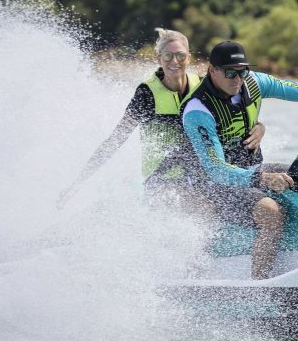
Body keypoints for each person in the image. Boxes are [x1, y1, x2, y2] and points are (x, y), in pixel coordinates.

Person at [182, 40, 298, 279]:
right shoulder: (197, 110)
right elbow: (216, 170)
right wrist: (262, 178)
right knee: (271, 213)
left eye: (242, 71)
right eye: (230, 72)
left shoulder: (254, 82)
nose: (237, 79)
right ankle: (260, 288)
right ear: (212, 70)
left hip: (252, 170)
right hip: (214, 186)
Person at [58, 28, 265, 208]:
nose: (175, 62)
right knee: (201, 206)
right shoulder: (146, 95)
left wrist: (260, 128)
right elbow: (115, 140)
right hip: (164, 179)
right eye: (168, 56)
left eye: (181, 56)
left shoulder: (205, 88)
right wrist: (77, 184)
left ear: (189, 58)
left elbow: (238, 116)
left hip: (201, 177)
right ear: (159, 59)